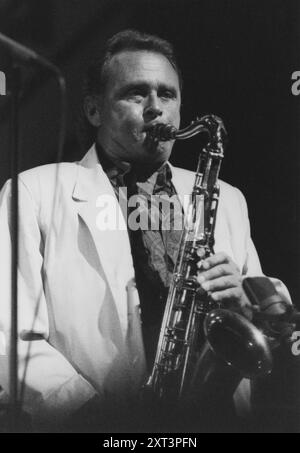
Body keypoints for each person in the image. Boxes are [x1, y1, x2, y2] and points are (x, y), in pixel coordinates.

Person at [0, 29, 290, 432]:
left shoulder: (228, 198)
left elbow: (274, 324)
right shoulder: (33, 192)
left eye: (167, 95)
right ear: (93, 110)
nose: (157, 109)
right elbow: (8, 337)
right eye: (136, 94)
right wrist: (96, 417)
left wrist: (246, 301)